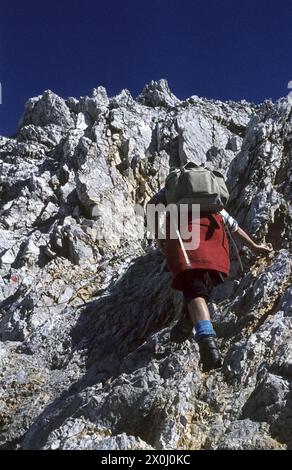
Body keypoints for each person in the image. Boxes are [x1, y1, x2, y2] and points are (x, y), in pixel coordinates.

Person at [147, 186, 273, 372]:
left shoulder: (173, 191)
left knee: (194, 290)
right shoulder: (208, 193)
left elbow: (151, 207)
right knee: (199, 290)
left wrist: (159, 239)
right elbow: (232, 225)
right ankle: (187, 321)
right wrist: (254, 247)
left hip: (186, 238)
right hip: (214, 243)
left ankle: (208, 346)